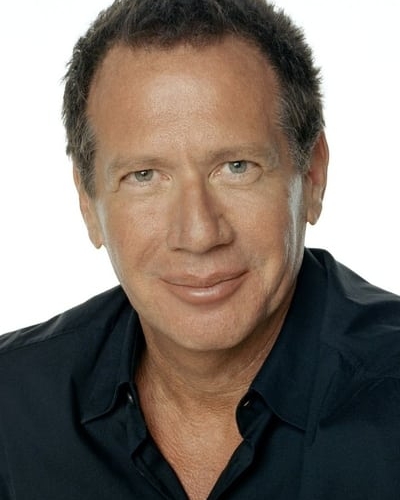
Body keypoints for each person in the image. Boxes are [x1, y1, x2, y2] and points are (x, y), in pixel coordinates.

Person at [1, 0, 399, 498]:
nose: (199, 234)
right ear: (88, 203)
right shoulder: (12, 406)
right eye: (144, 176)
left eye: (237, 167)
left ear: (312, 176)